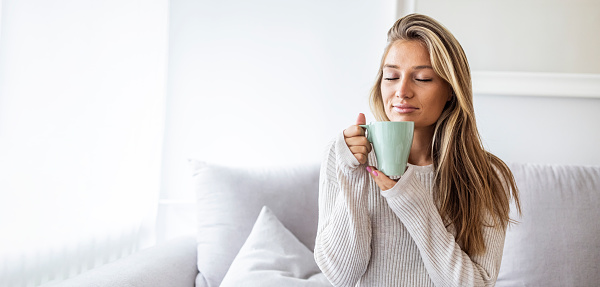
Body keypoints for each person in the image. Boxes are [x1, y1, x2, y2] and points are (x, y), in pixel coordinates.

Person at [314, 13, 521, 287]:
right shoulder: (344, 155)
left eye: (422, 78)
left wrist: (411, 201)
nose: (402, 91)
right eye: (391, 76)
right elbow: (341, 276)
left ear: (450, 90)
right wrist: (352, 177)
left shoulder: (486, 176)